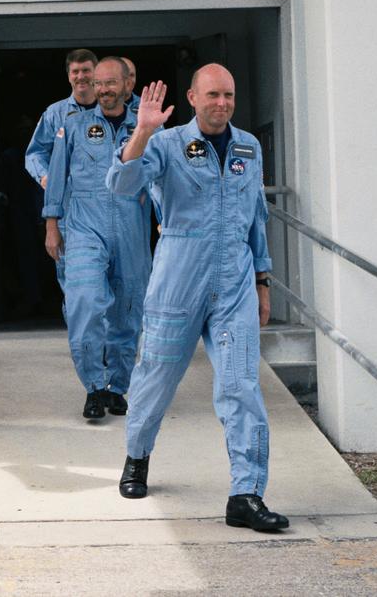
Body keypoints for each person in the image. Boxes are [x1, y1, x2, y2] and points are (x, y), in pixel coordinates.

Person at [107, 65, 289, 532]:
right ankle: (137, 456)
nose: (221, 103)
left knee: (240, 385)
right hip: (178, 279)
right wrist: (143, 130)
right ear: (192, 96)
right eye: (212, 95)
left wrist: (262, 282)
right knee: (156, 377)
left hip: (234, 283)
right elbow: (121, 185)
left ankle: (245, 494)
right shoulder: (165, 144)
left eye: (228, 94)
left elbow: (255, 219)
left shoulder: (249, 146)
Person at [43, 57, 151, 419]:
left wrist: (168, 225)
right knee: (84, 304)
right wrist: (52, 225)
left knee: (127, 309)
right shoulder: (74, 127)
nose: (103, 89)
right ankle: (93, 387)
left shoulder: (146, 129)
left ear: (126, 86)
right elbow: (56, 177)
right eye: (99, 83)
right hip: (85, 227)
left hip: (132, 227)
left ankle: (118, 387)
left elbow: (164, 181)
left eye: (111, 83)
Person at [24, 49, 97, 190]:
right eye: (75, 72)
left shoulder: (113, 110)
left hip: (106, 197)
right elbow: (36, 151)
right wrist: (44, 176)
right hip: (69, 197)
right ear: (69, 76)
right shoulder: (54, 113)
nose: (81, 76)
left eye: (86, 70)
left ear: (97, 74)